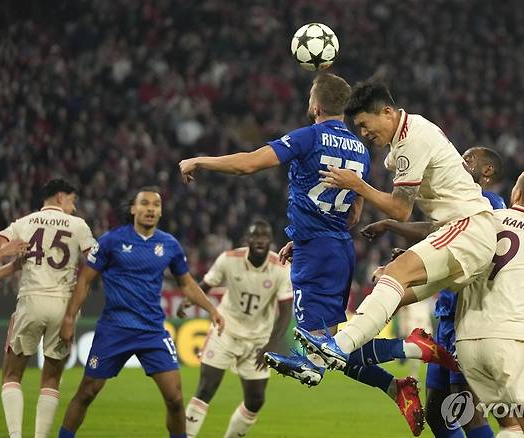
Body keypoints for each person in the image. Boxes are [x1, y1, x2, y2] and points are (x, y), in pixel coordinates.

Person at [179, 74, 426, 436]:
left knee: (315, 356)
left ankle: (410, 347)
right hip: (338, 250)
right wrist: (313, 233)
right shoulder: (360, 148)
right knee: (330, 345)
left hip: (317, 253)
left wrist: (201, 160)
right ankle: (395, 386)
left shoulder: (307, 136)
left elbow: (249, 163)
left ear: (314, 106)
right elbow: (354, 214)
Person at [294, 79, 498, 393]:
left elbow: (402, 210)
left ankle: (334, 348)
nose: (363, 133)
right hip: (462, 233)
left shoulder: (412, 140)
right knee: (391, 291)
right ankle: (327, 361)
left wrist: (357, 185)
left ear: (388, 112)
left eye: (365, 124)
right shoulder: (405, 141)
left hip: (468, 227)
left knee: (394, 276)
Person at [360, 146, 507, 438]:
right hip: (446, 320)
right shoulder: (462, 202)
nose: (461, 163)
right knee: (438, 414)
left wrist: (394, 226)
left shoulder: (487, 204)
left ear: (487, 171)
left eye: (469, 159)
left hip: (467, 319)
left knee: (466, 411)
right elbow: (440, 237)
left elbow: (461, 246)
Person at [57, 187, 225, 438]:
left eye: (155, 205)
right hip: (114, 328)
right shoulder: (111, 241)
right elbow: (85, 280)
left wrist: (212, 309)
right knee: (87, 392)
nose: (150, 209)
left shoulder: (169, 245)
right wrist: (69, 318)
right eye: (144, 204)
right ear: (133, 209)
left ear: (160, 212)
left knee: (175, 398)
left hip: (152, 331)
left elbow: (187, 284)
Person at [455, 163, 524, 438]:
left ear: (516, 193)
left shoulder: (487, 219)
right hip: (510, 342)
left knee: (512, 427)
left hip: (468, 343)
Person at [0, 178, 96, 438]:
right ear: (60, 197)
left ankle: (16, 436)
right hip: (63, 305)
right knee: (51, 379)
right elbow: (96, 261)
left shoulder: (24, 222)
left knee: (12, 375)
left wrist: (2, 255)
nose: (73, 208)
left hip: (31, 301)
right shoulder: (79, 225)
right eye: (72, 201)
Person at [176, 219, 293, 438]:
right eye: (255, 236)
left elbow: (286, 310)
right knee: (205, 389)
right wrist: (190, 300)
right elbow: (206, 286)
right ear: (247, 240)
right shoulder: (229, 260)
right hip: (225, 331)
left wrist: (271, 343)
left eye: (264, 236)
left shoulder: (281, 267)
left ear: (270, 241)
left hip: (258, 340)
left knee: (256, 400)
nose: (260, 240)